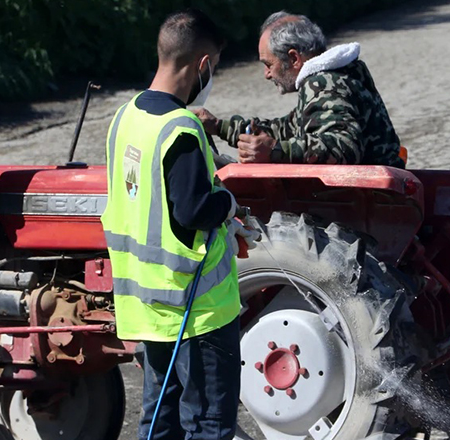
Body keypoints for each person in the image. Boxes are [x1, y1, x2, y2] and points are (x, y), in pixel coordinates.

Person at [101, 9, 258, 440]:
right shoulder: (182, 129)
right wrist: (227, 202)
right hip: (197, 310)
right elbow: (193, 210)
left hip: (149, 308)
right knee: (208, 424)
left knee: (160, 420)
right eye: (215, 67)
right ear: (202, 64)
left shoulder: (125, 116)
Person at [195, 11, 405, 167]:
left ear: (294, 58)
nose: (267, 74)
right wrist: (219, 126)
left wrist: (275, 151)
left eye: (268, 64)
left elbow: (344, 147)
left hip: (372, 200)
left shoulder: (324, 83)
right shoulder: (336, 77)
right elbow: (286, 128)